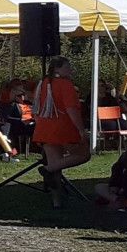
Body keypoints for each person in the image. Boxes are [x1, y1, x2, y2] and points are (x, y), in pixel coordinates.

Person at [32, 56, 90, 205]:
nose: (70, 69)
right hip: (63, 128)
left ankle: (56, 202)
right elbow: (71, 109)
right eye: (67, 66)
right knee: (83, 155)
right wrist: (81, 129)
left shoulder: (43, 83)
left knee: (56, 167)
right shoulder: (65, 84)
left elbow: (36, 108)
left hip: (45, 128)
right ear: (57, 68)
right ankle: (47, 168)